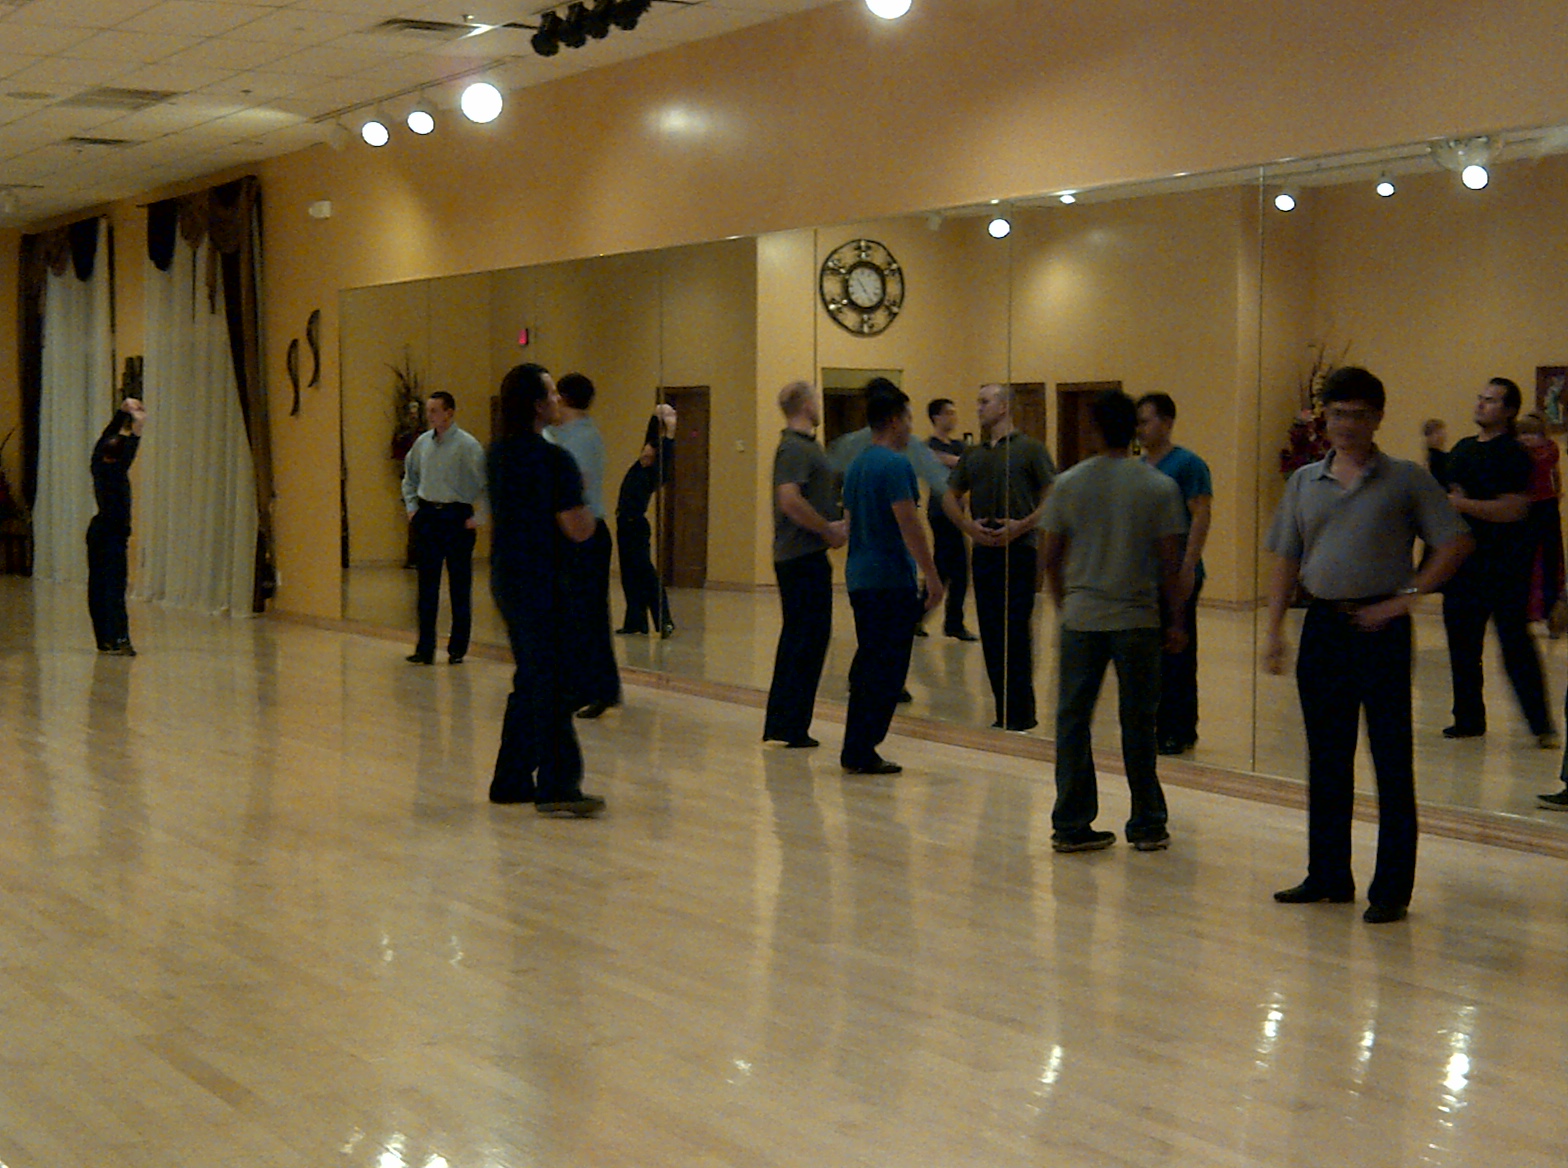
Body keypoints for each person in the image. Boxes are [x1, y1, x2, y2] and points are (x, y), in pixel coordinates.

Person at [1264, 366, 1472, 924]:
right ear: (1324, 419)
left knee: (1390, 758)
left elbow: (1454, 543)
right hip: (1323, 628)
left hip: (1381, 630)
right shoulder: (1304, 482)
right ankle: (1328, 874)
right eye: (1337, 414)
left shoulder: (1406, 479)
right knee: (1327, 757)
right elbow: (1286, 556)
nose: (1346, 424)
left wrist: (1406, 599)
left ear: (1378, 418)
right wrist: (1274, 629)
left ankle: (1391, 890)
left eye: (1358, 414)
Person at [1041, 389, 1188, 853]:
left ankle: (1071, 822)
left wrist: (1065, 603)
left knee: (1072, 721)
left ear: (1093, 431)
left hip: (1083, 618)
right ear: (1134, 430)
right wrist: (1176, 620)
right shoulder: (1159, 487)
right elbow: (1170, 566)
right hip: (1137, 620)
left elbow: (1049, 556)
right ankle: (1147, 823)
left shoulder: (1067, 484)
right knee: (1139, 723)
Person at [486, 363, 606, 818]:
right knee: (554, 681)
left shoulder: (497, 454)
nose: (558, 400)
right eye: (552, 394)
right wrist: (585, 502)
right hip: (544, 580)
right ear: (538, 405)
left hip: (508, 576)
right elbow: (578, 528)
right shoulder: (554, 459)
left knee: (531, 677)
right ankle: (558, 784)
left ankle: (511, 778)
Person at [1440, 377, 1557, 746]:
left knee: (1515, 644)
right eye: (1481, 398)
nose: (1481, 404)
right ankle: (1468, 719)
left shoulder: (1514, 454)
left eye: (1490, 400)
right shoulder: (1462, 449)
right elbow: (1449, 493)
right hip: (1463, 563)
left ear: (1509, 411)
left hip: (1505, 565)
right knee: (1462, 645)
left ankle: (1541, 725)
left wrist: (1464, 504)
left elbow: (1513, 509)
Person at [840, 384, 944, 774]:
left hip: (860, 577)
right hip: (889, 580)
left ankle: (856, 746)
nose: (911, 427)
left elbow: (849, 522)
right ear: (896, 420)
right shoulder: (896, 465)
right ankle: (863, 748)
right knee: (888, 669)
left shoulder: (856, 466)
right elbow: (909, 524)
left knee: (870, 662)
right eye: (910, 419)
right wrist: (932, 576)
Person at [942, 383, 1056, 731]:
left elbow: (1053, 495)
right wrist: (968, 527)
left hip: (1019, 550)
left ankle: (1022, 713)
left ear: (1004, 406)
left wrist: (1023, 525)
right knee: (991, 633)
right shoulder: (974, 455)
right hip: (984, 551)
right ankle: (1002, 711)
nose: (978, 407)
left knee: (1016, 632)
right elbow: (949, 496)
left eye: (984, 401)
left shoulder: (1031, 449)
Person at [763, 381, 847, 748]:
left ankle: (788, 723)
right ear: (807, 404)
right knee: (806, 640)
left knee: (802, 639)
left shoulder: (805, 446)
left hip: (803, 555)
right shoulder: (795, 448)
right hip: (801, 557)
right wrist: (826, 528)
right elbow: (789, 499)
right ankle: (789, 724)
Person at [1135, 392, 1213, 756]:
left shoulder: (1188, 465)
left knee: (1177, 654)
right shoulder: (1137, 468)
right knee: (1149, 656)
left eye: (1146, 421)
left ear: (1166, 423)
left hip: (1177, 573)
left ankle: (1178, 728)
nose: (1140, 429)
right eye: (1137, 422)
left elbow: (1201, 515)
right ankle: (1156, 723)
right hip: (1146, 576)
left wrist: (1187, 567)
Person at [545, 372, 622, 718]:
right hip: (568, 531)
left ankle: (598, 690)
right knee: (570, 614)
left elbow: (575, 488)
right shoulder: (561, 435)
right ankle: (578, 685)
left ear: (563, 398)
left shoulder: (584, 438)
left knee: (587, 614)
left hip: (585, 532)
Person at [400, 390, 487, 665]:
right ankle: (425, 647)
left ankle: (457, 648)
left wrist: (479, 517)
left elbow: (487, 484)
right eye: (428, 411)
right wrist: (412, 508)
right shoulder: (422, 444)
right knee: (426, 586)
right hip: (428, 515)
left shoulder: (468, 446)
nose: (430, 416)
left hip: (456, 516)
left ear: (449, 412)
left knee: (459, 585)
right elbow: (410, 477)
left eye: (435, 410)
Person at [86, 397, 146, 656]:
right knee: (114, 588)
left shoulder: (98, 465)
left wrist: (121, 414)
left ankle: (104, 639)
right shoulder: (116, 471)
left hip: (98, 531)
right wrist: (138, 426)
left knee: (98, 586)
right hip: (112, 535)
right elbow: (130, 449)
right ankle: (120, 638)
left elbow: (105, 437)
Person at [614, 405, 677, 637]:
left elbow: (666, 450)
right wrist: (655, 417)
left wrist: (670, 429)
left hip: (635, 525)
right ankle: (635, 621)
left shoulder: (655, 470)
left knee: (645, 574)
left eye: (649, 452)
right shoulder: (642, 465)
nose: (644, 453)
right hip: (625, 523)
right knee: (629, 575)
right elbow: (651, 436)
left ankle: (665, 620)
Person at [924, 397, 978, 641]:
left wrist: (957, 461)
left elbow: (968, 465)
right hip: (940, 512)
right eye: (949, 413)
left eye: (955, 413)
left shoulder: (958, 445)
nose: (953, 418)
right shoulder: (929, 445)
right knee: (957, 568)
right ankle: (952, 623)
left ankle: (918, 616)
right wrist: (957, 461)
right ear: (936, 417)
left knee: (943, 568)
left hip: (958, 511)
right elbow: (936, 460)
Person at [1515, 413, 1565, 631]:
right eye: (1523, 434)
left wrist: (1557, 492)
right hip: (1527, 506)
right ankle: (1527, 609)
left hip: (1545, 506)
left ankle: (1551, 609)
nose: (1526, 438)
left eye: (1532, 434)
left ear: (1541, 435)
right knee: (1526, 556)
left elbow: (1554, 472)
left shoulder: (1548, 449)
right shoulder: (1518, 452)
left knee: (1550, 557)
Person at [1422, 417, 1450, 485]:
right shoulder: (1435, 458)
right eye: (1436, 433)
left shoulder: (1440, 457)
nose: (1440, 436)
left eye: (1440, 433)